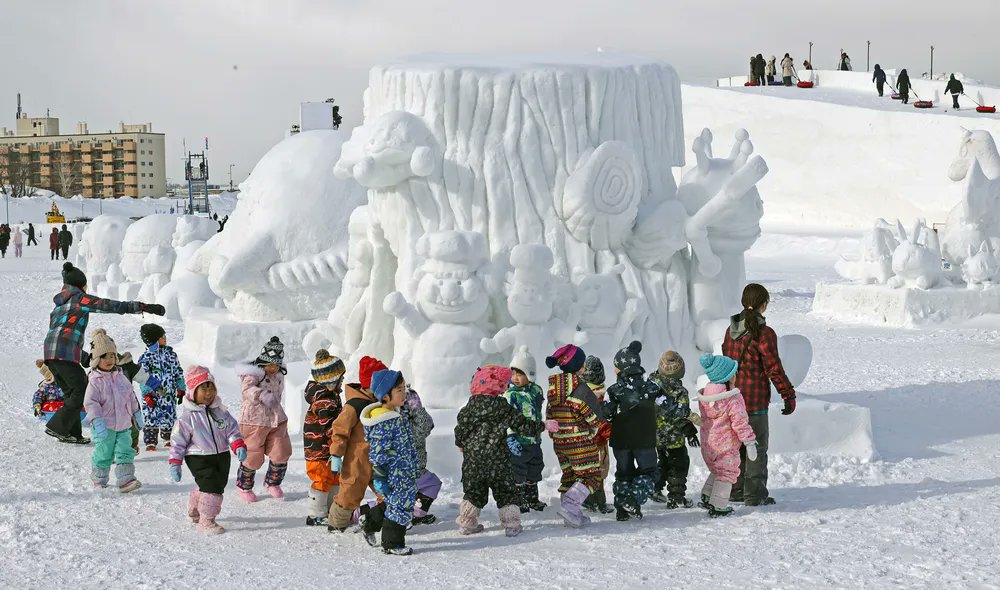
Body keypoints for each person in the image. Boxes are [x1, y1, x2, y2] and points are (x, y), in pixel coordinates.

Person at [42, 262, 164, 444]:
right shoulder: (79, 298)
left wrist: (85, 358)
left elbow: (61, 334)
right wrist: (143, 307)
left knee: (72, 392)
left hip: (51, 352)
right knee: (81, 391)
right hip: (65, 353)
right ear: (81, 286)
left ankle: (72, 434)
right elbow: (109, 305)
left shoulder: (59, 306)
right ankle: (57, 426)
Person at [454, 365, 553, 537]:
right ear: (499, 386)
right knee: (506, 492)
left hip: (474, 461)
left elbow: (460, 430)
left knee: (473, 492)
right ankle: (511, 525)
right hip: (498, 460)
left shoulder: (468, 408)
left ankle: (467, 523)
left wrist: (461, 443)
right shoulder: (502, 406)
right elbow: (522, 425)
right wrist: (542, 425)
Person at [721, 283, 796, 506]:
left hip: (732, 398)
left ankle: (736, 490)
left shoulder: (730, 330)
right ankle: (754, 494)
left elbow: (725, 364)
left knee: (737, 447)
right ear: (764, 305)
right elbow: (773, 367)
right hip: (754, 401)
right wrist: (787, 394)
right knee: (756, 447)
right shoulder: (764, 333)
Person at [605, 341, 683, 521]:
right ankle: (633, 499)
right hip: (644, 440)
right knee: (649, 472)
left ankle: (622, 509)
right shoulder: (651, 388)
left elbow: (606, 413)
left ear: (621, 368)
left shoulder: (614, 390)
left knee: (624, 473)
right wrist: (683, 410)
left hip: (621, 441)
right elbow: (668, 404)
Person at [169, 366, 248, 534]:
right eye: (203, 388)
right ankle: (207, 520)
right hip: (199, 457)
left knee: (217, 484)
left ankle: (196, 501)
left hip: (221, 455)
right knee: (212, 487)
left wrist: (237, 444)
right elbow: (178, 442)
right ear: (192, 391)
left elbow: (232, 430)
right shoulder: (187, 418)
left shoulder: (220, 412)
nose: (209, 393)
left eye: (211, 387)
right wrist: (175, 462)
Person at [361, 369, 420, 555]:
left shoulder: (395, 414)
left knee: (394, 502)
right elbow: (378, 452)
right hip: (394, 473)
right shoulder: (383, 420)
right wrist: (379, 476)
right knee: (400, 506)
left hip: (403, 470)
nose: (404, 393)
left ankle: (369, 521)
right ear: (386, 396)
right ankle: (392, 543)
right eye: (400, 390)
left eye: (404, 388)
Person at [544, 344, 603, 528]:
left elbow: (549, 415)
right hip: (579, 440)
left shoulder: (553, 389)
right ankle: (571, 505)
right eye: (583, 364)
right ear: (579, 366)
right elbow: (594, 418)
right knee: (590, 475)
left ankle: (571, 513)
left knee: (570, 474)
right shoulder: (581, 388)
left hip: (560, 441)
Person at [82, 329, 144, 492]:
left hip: (124, 425)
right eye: (104, 356)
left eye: (112, 355)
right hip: (105, 427)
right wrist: (97, 421)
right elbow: (91, 402)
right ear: (96, 360)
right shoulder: (95, 381)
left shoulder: (121, 376)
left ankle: (126, 480)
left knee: (126, 451)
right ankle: (99, 479)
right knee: (104, 454)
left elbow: (130, 395)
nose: (109, 359)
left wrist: (136, 412)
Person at [696, 353, 757, 517]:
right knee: (727, 473)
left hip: (708, 445)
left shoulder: (705, 396)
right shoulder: (733, 399)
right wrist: (750, 442)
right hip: (726, 447)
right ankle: (718, 505)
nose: (736, 376)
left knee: (717, 469)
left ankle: (707, 495)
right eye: (734, 373)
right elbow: (740, 422)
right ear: (727, 377)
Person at [327, 356, 381, 532]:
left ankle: (382, 519)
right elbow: (340, 429)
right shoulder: (355, 405)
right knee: (348, 495)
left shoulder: (380, 405)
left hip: (378, 459)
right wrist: (336, 454)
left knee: (388, 491)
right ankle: (336, 523)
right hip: (356, 460)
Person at [236, 336, 292, 502]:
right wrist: (262, 394)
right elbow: (246, 389)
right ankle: (244, 486)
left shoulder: (279, 375)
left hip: (276, 418)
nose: (273, 368)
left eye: (276, 365)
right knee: (252, 455)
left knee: (281, 451)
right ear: (263, 362)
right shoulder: (254, 374)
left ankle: (273, 482)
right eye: (270, 364)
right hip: (254, 421)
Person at [648, 351, 699, 508]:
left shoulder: (651, 382)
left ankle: (655, 488)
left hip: (655, 435)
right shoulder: (679, 391)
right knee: (679, 465)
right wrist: (690, 431)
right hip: (674, 437)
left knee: (662, 462)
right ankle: (676, 497)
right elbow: (682, 415)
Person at [303, 349, 346, 526]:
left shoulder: (330, 396)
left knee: (333, 478)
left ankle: (330, 509)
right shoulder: (324, 401)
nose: (343, 380)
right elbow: (329, 427)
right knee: (321, 479)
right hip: (318, 450)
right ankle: (315, 514)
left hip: (326, 450)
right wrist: (336, 448)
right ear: (331, 381)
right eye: (341, 378)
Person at [503, 346, 548, 513]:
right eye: (513, 373)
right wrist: (510, 437)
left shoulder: (536, 390)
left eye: (519, 374)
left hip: (534, 440)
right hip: (518, 441)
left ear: (529, 374)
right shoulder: (511, 395)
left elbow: (537, 410)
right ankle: (518, 499)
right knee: (518, 471)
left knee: (535, 468)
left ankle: (531, 498)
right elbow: (507, 418)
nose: (515, 378)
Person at [136, 324, 185, 451]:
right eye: (162, 336)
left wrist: (181, 387)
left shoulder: (171, 355)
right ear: (155, 340)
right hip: (152, 395)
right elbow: (142, 377)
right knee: (151, 415)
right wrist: (146, 393)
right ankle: (151, 441)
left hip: (168, 393)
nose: (165, 338)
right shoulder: (146, 358)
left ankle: (168, 437)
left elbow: (178, 371)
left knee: (169, 414)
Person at [400, 381, 440, 525]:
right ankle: (413, 516)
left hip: (409, 464)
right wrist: (418, 410)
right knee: (431, 484)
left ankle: (413, 515)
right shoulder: (407, 403)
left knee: (403, 494)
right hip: (411, 465)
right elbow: (425, 426)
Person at [579, 355, 613, 514]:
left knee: (592, 470)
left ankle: (590, 499)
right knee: (599, 470)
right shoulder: (595, 394)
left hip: (584, 440)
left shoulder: (580, 391)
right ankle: (597, 501)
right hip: (596, 440)